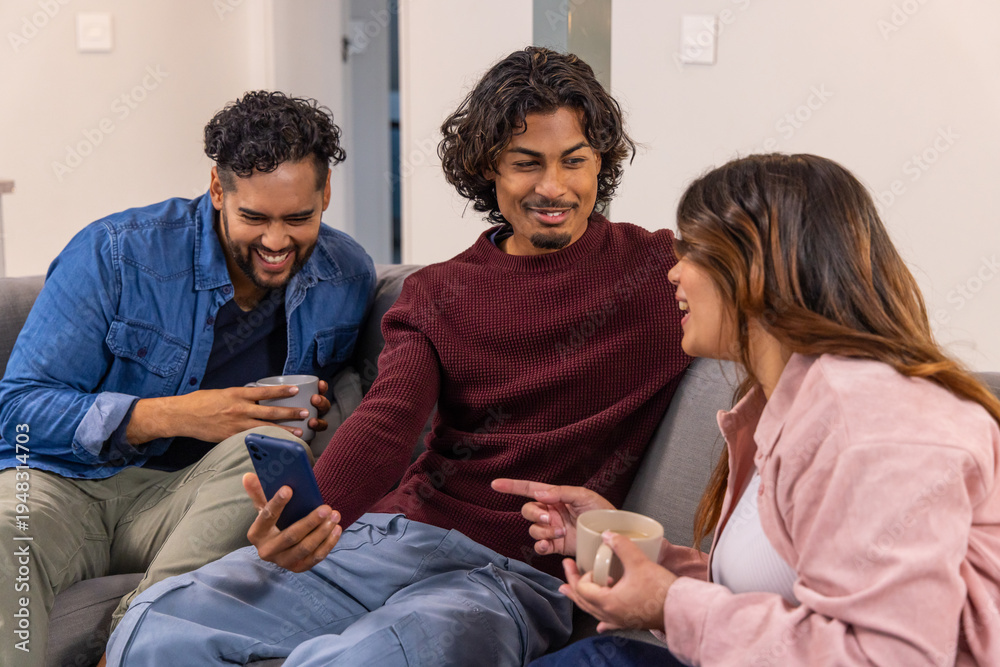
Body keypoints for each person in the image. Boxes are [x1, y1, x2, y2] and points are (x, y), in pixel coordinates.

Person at [104, 47, 691, 666]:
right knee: (158, 622)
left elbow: (780, 290)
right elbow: (389, 420)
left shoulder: (661, 274)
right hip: (396, 535)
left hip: (514, 576)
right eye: (527, 163)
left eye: (574, 161)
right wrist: (310, 519)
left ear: (601, 161)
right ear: (489, 167)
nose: (554, 187)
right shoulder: (437, 291)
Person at [497, 153, 1000, 666]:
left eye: (691, 251)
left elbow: (889, 656)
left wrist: (671, 606)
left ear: (754, 265)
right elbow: (780, 597)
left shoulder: (875, 425)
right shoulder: (786, 403)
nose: (673, 272)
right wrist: (635, 558)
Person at [0, 91, 375, 666]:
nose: (277, 243)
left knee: (270, 448)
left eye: (299, 218)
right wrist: (179, 414)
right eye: (254, 217)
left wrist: (313, 408)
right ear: (218, 191)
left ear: (325, 194)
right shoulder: (116, 253)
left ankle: (129, 648)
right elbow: (18, 412)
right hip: (66, 484)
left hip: (191, 502)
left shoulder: (344, 274)